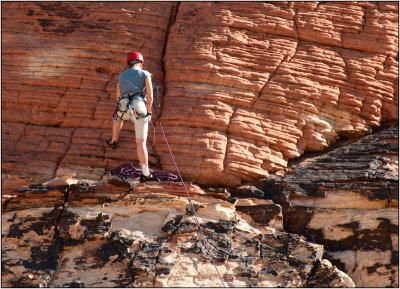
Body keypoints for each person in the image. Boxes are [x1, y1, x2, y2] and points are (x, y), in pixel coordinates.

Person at [106, 52, 159, 182]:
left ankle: (113, 140)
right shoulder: (145, 74)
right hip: (139, 107)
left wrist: (121, 109)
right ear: (141, 63)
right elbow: (150, 95)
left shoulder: (120, 76)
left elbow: (118, 97)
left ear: (128, 63)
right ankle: (146, 173)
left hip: (123, 107)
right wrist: (149, 109)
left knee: (117, 117)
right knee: (140, 142)